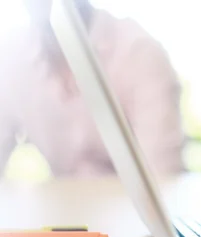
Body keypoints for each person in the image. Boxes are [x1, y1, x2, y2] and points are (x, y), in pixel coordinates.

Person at [0, 0, 184, 177]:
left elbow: (163, 178)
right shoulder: (11, 58)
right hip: (64, 205)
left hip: (127, 206)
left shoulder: (139, 52)